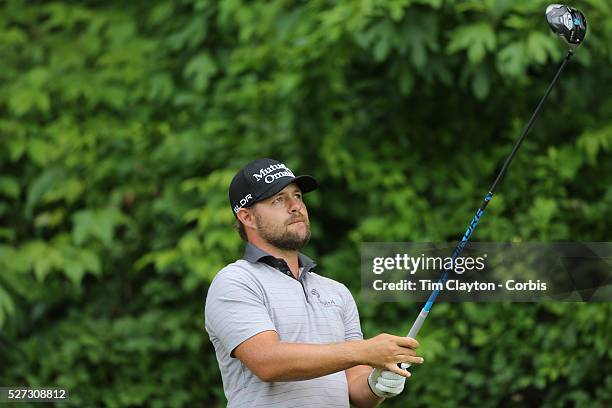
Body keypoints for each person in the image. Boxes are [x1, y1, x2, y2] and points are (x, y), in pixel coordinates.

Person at [204, 158, 423, 407]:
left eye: (297, 196)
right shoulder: (236, 281)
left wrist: (377, 383)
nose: (295, 206)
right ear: (247, 217)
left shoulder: (336, 291)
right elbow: (267, 361)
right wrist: (364, 351)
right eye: (278, 199)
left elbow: (355, 387)